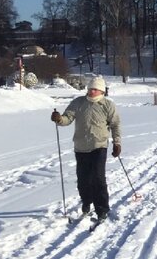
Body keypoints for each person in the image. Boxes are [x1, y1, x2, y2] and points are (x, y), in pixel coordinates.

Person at [51, 75, 122, 222]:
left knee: (98, 179)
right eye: (90, 88)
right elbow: (67, 119)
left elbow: (115, 125)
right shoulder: (78, 102)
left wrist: (117, 143)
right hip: (81, 147)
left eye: (95, 89)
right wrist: (59, 119)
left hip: (99, 146)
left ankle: (102, 209)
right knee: (83, 180)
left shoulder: (108, 105)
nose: (91, 91)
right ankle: (86, 202)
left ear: (101, 91)